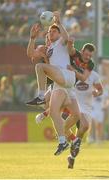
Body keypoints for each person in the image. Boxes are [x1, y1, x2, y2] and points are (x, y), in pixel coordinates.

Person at [26, 12, 82, 155]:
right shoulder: (47, 47)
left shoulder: (61, 42)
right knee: (60, 113)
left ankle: (40, 95)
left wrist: (59, 22)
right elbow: (31, 54)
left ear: (59, 33)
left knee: (39, 67)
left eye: (54, 30)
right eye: (50, 30)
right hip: (61, 84)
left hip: (66, 76)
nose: (51, 32)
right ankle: (63, 141)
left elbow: (67, 38)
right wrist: (32, 38)